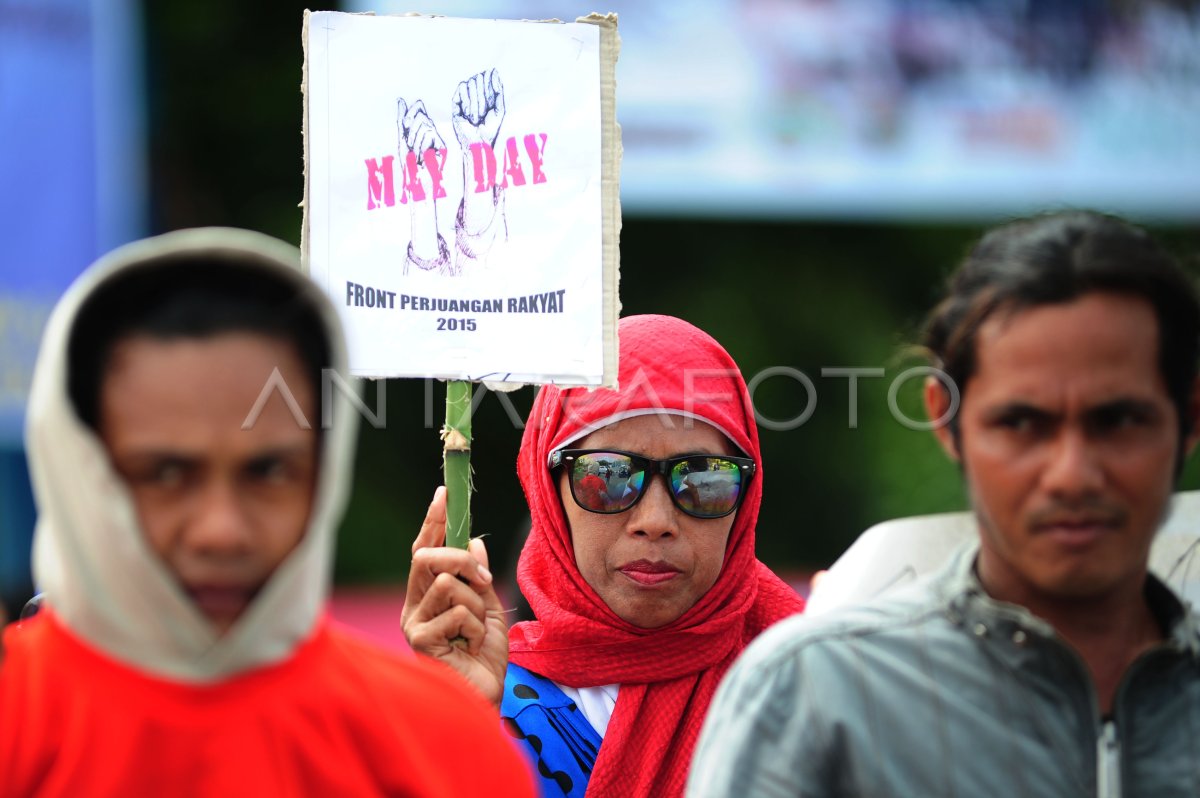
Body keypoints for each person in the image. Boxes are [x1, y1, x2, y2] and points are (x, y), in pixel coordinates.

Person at [0, 228, 535, 796]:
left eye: (268, 473)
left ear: (324, 474)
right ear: (78, 470)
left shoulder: (445, 748)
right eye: (165, 474)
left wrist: (448, 723)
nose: (221, 530)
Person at [687, 210, 1200, 797]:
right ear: (945, 420)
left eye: (1118, 421)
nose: (1072, 475)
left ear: (1188, 417)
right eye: (1021, 423)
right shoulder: (813, 694)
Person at [402, 314, 806, 797]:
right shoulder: (487, 697)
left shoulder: (811, 693)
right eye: (609, 475)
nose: (654, 520)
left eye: (703, 478)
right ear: (549, 494)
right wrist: (454, 724)